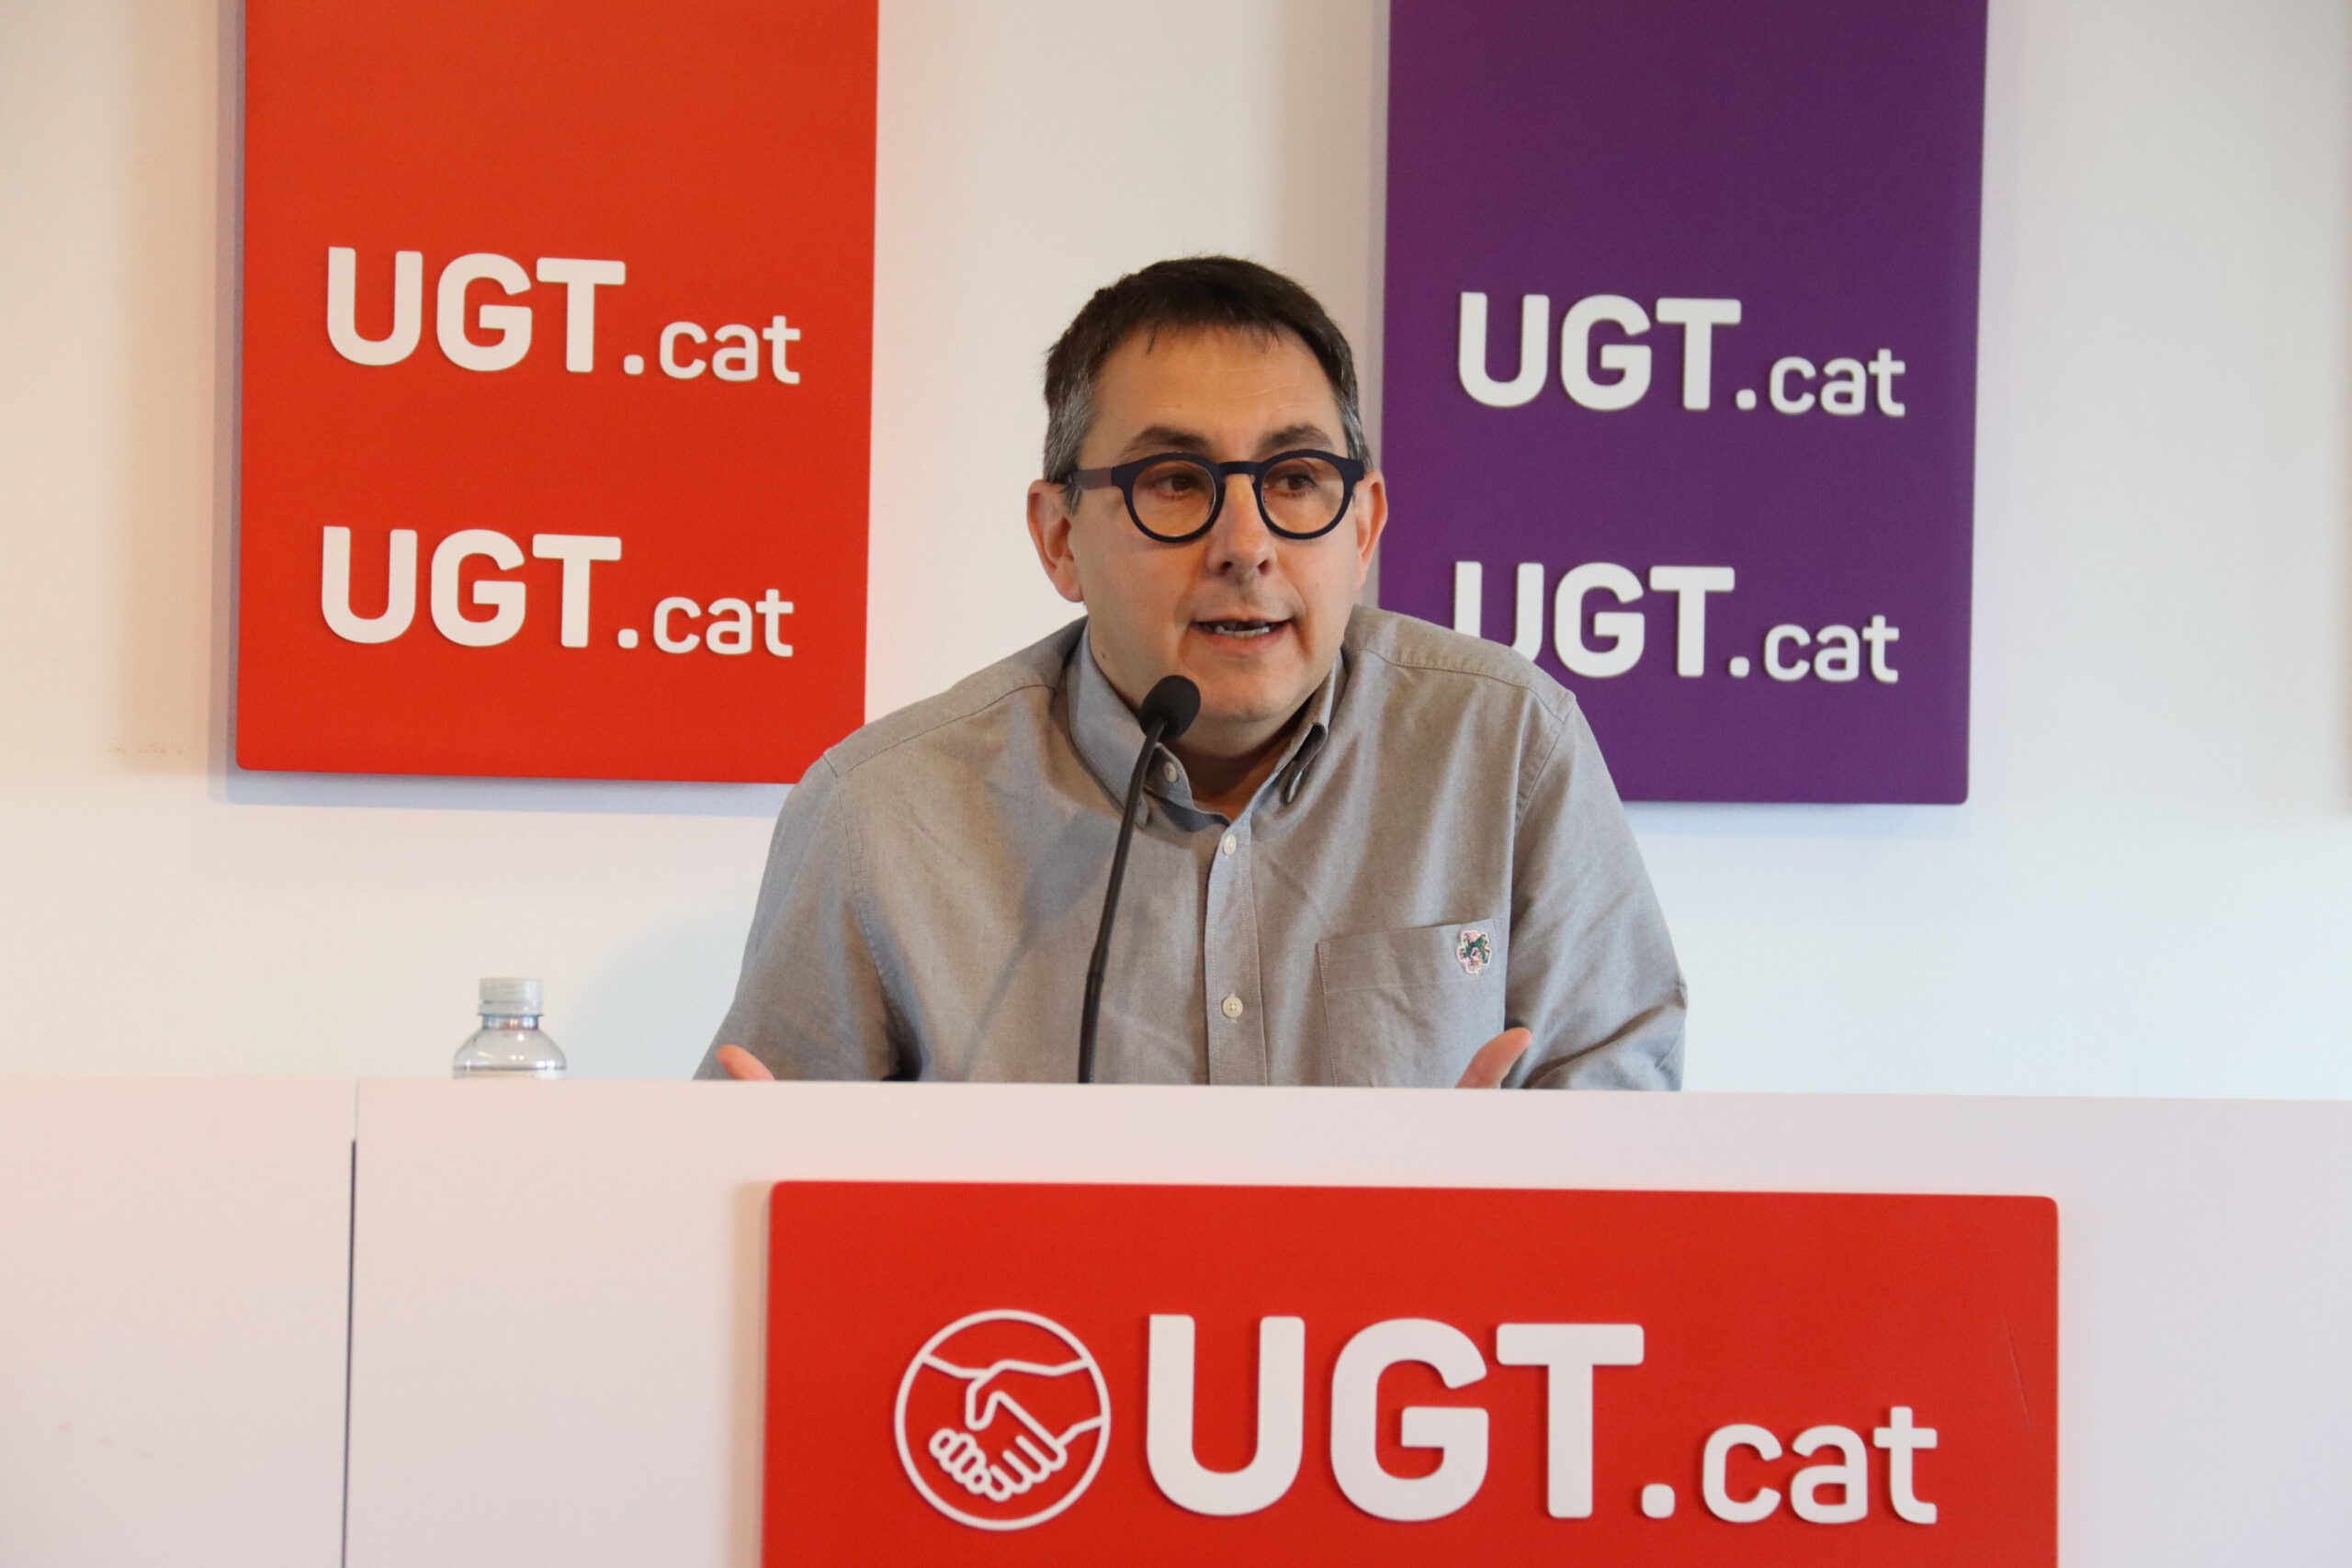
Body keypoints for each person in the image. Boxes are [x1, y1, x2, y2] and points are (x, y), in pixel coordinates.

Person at [699, 256, 1683, 1089]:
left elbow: (1626, 1160)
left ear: (1363, 526)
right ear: (1059, 538)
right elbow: (768, 1186)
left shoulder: (1509, 751)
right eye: (1175, 482)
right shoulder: (883, 815)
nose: (1245, 545)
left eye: (1294, 480)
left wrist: (1491, 1201)